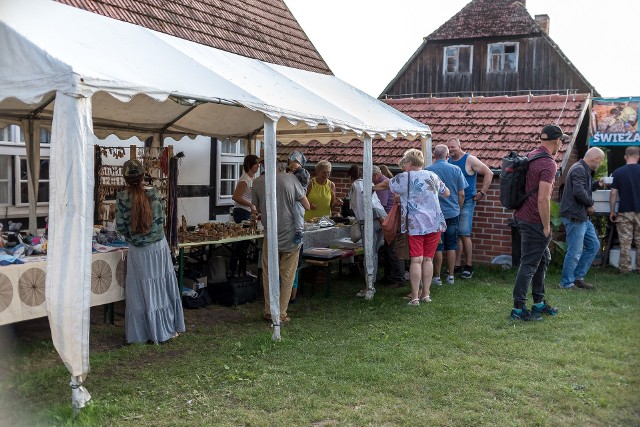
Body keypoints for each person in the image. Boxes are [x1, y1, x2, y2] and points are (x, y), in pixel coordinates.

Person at [116, 159, 185, 343]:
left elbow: (121, 227)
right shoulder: (153, 193)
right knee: (160, 288)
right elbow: (161, 220)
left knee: (140, 292)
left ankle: (142, 334)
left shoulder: (122, 197)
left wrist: (133, 237)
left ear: (125, 178)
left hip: (139, 252)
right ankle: (165, 329)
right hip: (157, 249)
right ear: (142, 175)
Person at [375, 149, 449, 306]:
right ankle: (426, 295)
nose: (404, 166)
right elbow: (446, 192)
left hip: (415, 224)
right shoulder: (433, 176)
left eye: (404, 163)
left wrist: (371, 188)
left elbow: (386, 184)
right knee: (428, 259)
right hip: (434, 222)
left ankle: (415, 297)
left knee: (416, 260)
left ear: (409, 163)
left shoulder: (404, 177)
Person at [511, 124, 565, 321]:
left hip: (521, 215)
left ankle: (539, 303)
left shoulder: (532, 155)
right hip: (533, 219)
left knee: (543, 259)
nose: (561, 143)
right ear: (557, 140)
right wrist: (546, 226)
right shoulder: (549, 164)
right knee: (529, 264)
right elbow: (543, 198)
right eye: (561, 140)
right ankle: (518, 309)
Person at [253, 165, 310, 323]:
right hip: (291, 235)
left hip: (270, 233)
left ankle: (268, 310)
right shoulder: (291, 179)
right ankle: (281, 313)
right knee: (287, 275)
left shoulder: (257, 182)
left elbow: (257, 208)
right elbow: (306, 204)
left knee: (268, 273)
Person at [447, 137, 493, 279]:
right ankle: (456, 266)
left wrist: (482, 193)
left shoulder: (469, 159)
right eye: (449, 148)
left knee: (464, 233)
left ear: (459, 146)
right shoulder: (448, 161)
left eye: (453, 147)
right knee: (455, 234)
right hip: (453, 202)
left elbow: (489, 173)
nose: (451, 150)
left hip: (467, 201)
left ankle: (469, 266)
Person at [559, 147, 605, 289]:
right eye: (600, 161)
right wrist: (591, 204)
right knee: (575, 251)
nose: (600, 164)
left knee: (593, 245)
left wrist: (597, 184)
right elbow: (579, 192)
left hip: (582, 217)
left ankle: (578, 277)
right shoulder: (579, 169)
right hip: (575, 216)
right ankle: (566, 283)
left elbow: (584, 189)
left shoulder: (584, 170)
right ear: (595, 159)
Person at [427, 144, 468, 286]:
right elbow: (462, 193)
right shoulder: (456, 169)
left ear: (434, 155)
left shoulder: (428, 171)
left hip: (435, 214)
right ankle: (451, 276)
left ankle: (436, 277)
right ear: (447, 155)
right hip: (452, 212)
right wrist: (459, 208)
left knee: (437, 245)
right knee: (451, 244)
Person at [347, 165, 387, 297]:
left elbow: (366, 205)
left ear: (350, 177)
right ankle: (371, 284)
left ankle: (369, 287)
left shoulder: (357, 186)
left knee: (369, 255)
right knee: (373, 254)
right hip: (380, 218)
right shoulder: (367, 182)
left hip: (371, 221)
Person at [373, 165, 406, 287]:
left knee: (393, 250)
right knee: (388, 249)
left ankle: (398, 279)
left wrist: (372, 189)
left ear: (375, 175)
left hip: (392, 220)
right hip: (392, 219)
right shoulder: (386, 181)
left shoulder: (384, 184)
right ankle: (389, 277)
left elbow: (381, 204)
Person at [609, 146, 640, 272]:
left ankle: (625, 269)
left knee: (625, 242)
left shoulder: (618, 172)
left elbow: (613, 194)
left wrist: (612, 211)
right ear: (638, 157)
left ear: (625, 157)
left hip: (624, 211)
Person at [230, 154, 259, 277]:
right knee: (240, 243)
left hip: (248, 212)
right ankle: (234, 270)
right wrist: (250, 205)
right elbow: (236, 197)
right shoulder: (244, 179)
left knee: (245, 243)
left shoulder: (253, 179)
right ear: (249, 165)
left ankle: (242, 270)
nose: (258, 166)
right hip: (241, 212)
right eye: (256, 163)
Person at [287, 151, 311, 304]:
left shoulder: (303, 173)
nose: (291, 164)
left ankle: (299, 232)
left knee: (298, 213)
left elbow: (303, 182)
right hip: (296, 200)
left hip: (298, 199)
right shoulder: (293, 173)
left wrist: (294, 172)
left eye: (293, 162)